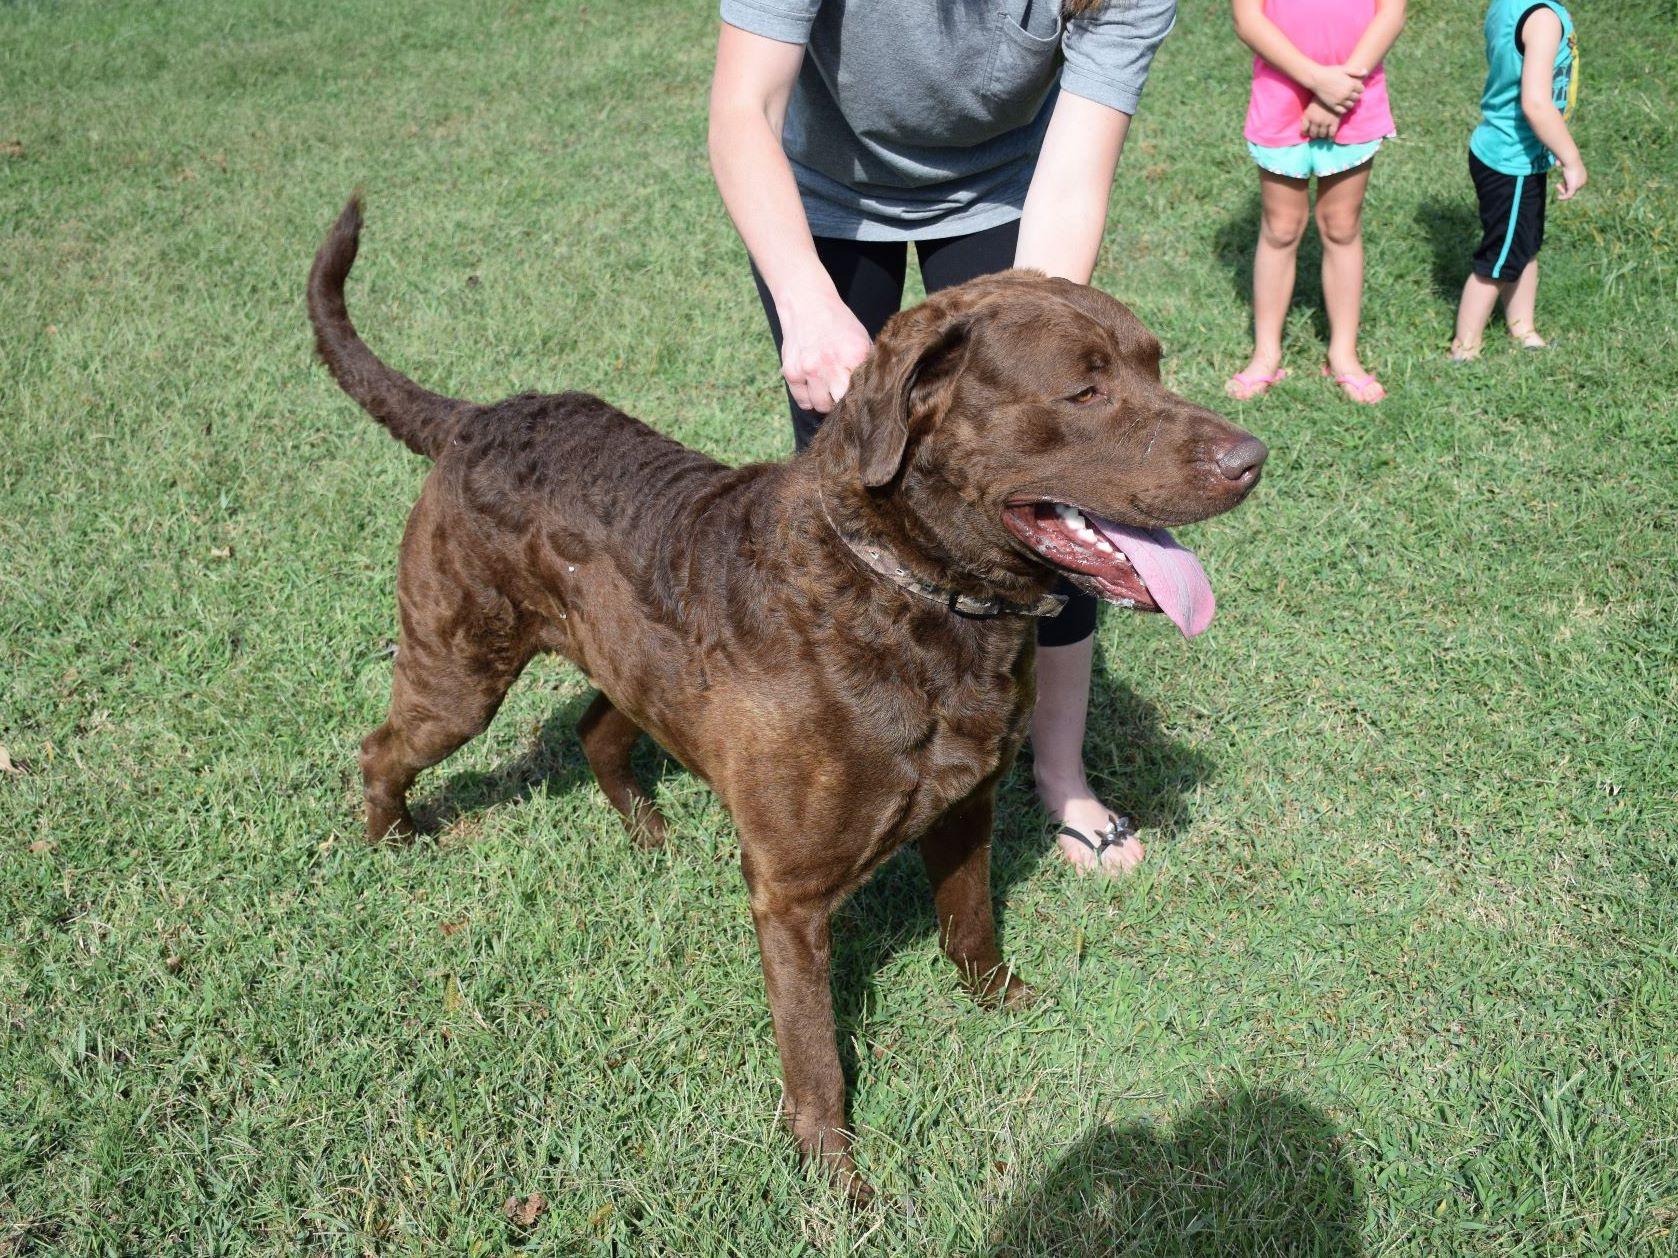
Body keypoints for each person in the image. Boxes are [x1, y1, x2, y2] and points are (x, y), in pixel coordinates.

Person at [708, 0, 1177, 876]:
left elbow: (1074, 174)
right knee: (857, 491)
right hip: (825, 194)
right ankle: (846, 745)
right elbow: (745, 108)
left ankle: (1060, 775)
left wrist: (1037, 378)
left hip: (1009, 190)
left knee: (1054, 486)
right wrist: (809, 307)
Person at [1226, 0, 1405, 405]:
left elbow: (1391, 14)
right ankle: (1266, 353)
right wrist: (1318, 80)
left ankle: (1343, 353)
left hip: (1354, 97)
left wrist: (1336, 92)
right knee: (1281, 228)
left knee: (1341, 226)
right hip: (1281, 97)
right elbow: (1247, 19)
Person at [1451, 0, 1582, 361]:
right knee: (1499, 258)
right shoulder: (1541, 18)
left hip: (1509, 152)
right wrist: (1571, 159)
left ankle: (1523, 330)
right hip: (1512, 160)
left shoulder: (1509, 5)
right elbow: (1536, 103)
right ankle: (1465, 349)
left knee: (1524, 245)